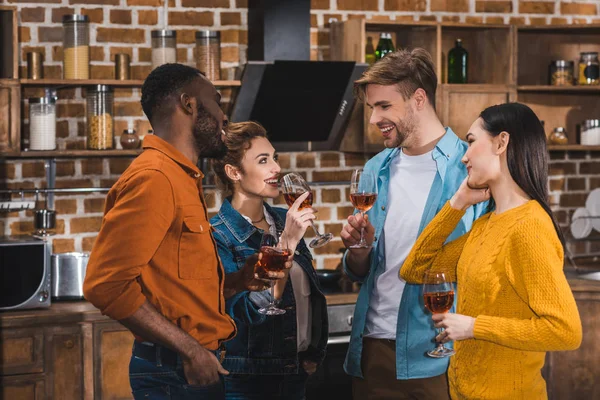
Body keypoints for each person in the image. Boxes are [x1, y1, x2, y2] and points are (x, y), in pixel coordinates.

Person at [83, 64, 286, 400]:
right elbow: (104, 285)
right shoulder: (155, 178)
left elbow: (174, 289)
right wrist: (191, 350)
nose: (224, 117)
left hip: (189, 366)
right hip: (176, 371)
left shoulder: (182, 176)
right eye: (217, 102)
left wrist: (237, 281)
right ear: (189, 105)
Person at [401, 103, 582, 399]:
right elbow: (415, 270)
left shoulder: (529, 226)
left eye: (471, 141)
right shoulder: (487, 224)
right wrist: (457, 203)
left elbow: (565, 331)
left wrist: (474, 327)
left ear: (501, 142)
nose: (464, 156)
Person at [339, 48, 488, 399]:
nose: (374, 119)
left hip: (439, 352)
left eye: (384, 106)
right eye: (371, 108)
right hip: (372, 348)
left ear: (418, 99)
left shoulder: (468, 169)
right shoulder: (375, 170)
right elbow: (363, 270)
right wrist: (357, 252)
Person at [210, 121, 328, 400]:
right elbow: (247, 312)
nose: (276, 168)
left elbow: (306, 294)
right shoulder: (217, 235)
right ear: (234, 172)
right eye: (263, 160)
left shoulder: (279, 218)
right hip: (248, 382)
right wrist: (287, 243)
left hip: (294, 375)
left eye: (275, 158)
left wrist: (313, 352)